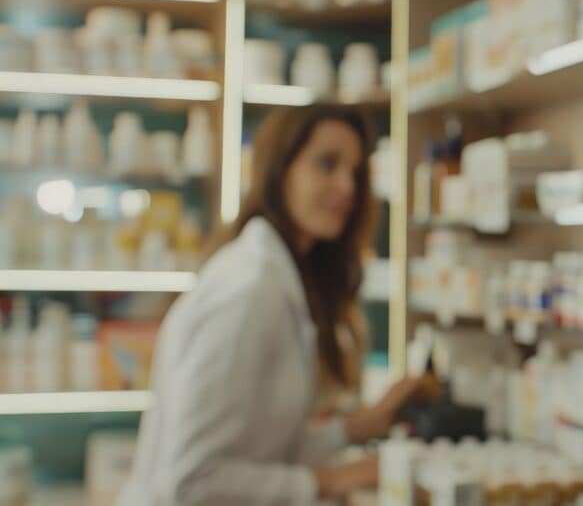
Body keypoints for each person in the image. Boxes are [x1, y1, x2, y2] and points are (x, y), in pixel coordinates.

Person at [117, 106, 424, 505]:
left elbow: (258, 449)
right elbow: (192, 479)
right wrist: (329, 481)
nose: (347, 187)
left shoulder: (278, 278)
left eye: (356, 172)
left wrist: (354, 429)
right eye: (327, 164)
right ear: (280, 171)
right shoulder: (249, 289)